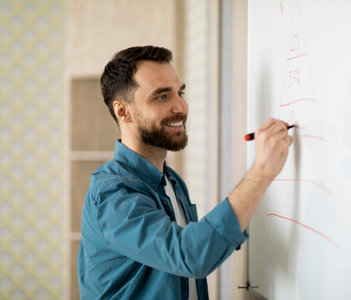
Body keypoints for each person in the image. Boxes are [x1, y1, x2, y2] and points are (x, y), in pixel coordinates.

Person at [77, 45, 293, 300]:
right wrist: (262, 170)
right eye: (162, 96)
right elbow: (189, 255)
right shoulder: (112, 194)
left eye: (180, 92)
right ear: (123, 111)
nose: (181, 107)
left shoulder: (172, 182)